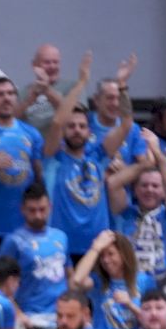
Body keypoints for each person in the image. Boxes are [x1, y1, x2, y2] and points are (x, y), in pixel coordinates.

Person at [42, 52, 133, 260]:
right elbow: (57, 121)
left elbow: (126, 124)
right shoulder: (54, 157)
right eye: (71, 126)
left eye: (82, 126)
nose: (77, 130)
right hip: (62, 247)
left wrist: (122, 86)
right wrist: (82, 83)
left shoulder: (98, 156)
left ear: (89, 131)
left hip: (98, 247)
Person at [0, 76, 44, 258]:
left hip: (25, 228)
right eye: (0, 94)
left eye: (11, 93)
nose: (6, 98)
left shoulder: (31, 133)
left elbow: (38, 177)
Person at [108, 128, 166, 279]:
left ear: (163, 191)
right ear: (135, 190)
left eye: (155, 186)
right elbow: (112, 184)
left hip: (163, 281)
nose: (149, 190)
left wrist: (157, 153)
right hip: (129, 282)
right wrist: (145, 164)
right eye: (144, 185)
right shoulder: (124, 213)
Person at [0, 183, 68, 329]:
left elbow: (70, 276)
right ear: (22, 209)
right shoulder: (14, 241)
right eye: (32, 210)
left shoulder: (61, 237)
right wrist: (18, 314)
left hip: (61, 316)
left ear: (50, 207)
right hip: (31, 317)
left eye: (42, 209)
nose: (38, 215)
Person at [69, 229, 146, 329]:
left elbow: (153, 322)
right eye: (102, 255)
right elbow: (76, 281)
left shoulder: (144, 281)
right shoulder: (97, 282)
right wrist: (95, 248)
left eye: (111, 254)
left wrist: (130, 305)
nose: (105, 260)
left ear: (124, 254)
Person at [17, 43, 73, 133]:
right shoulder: (23, 92)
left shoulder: (73, 87)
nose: (52, 66)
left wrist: (47, 90)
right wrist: (30, 99)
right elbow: (11, 120)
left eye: (55, 62)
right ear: (34, 65)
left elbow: (74, 116)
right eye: (47, 62)